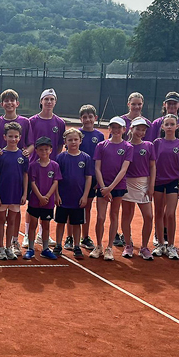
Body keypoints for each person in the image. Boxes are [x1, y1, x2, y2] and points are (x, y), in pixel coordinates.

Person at [0, 88, 33, 254]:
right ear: (2, 104)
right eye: (6, 100)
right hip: (3, 167)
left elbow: (30, 143)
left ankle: (13, 241)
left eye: (12, 100)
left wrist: (28, 151)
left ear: (17, 103)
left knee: (15, 210)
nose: (10, 103)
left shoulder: (25, 122)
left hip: (17, 170)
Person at [25, 88, 66, 249]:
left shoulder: (60, 123)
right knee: (32, 203)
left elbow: (60, 145)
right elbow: (28, 143)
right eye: (46, 99)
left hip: (51, 169)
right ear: (41, 101)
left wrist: (50, 161)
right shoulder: (32, 121)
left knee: (48, 202)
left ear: (55, 102)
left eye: (52, 99)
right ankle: (28, 236)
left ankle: (42, 236)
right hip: (34, 168)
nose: (49, 102)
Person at [89, 117, 133, 261]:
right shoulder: (101, 145)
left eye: (118, 127)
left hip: (117, 187)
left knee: (114, 216)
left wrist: (110, 188)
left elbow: (123, 170)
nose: (115, 130)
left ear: (124, 130)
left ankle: (109, 248)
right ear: (109, 129)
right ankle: (98, 246)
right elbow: (97, 168)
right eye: (113, 127)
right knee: (100, 217)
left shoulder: (128, 147)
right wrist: (103, 187)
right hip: (103, 187)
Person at [152, 115, 179, 260]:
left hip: (173, 182)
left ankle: (171, 245)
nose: (169, 126)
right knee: (159, 212)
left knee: (170, 213)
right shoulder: (157, 143)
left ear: (177, 126)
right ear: (162, 127)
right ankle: (160, 244)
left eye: (171, 124)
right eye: (166, 124)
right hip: (158, 182)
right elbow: (152, 164)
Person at [120, 118, 156, 260]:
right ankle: (128, 245)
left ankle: (144, 247)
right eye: (138, 129)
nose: (140, 132)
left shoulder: (149, 145)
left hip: (144, 184)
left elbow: (152, 166)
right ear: (131, 129)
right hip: (127, 183)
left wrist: (151, 185)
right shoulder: (125, 146)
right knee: (126, 216)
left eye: (143, 130)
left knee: (148, 216)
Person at [54, 128, 92, 259]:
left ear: (81, 141)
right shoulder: (60, 158)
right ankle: (58, 245)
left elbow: (88, 178)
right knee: (60, 223)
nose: (73, 142)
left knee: (76, 223)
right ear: (65, 141)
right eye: (70, 140)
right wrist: (56, 195)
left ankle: (77, 246)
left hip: (78, 198)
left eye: (76, 139)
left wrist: (85, 195)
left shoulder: (85, 158)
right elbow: (56, 179)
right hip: (63, 198)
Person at [76, 104, 104, 252]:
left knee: (87, 207)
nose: (87, 119)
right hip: (76, 177)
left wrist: (98, 180)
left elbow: (102, 159)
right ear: (80, 118)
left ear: (95, 118)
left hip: (92, 178)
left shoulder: (100, 136)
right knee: (73, 206)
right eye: (84, 117)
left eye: (90, 116)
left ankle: (85, 236)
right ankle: (70, 237)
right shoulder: (76, 134)